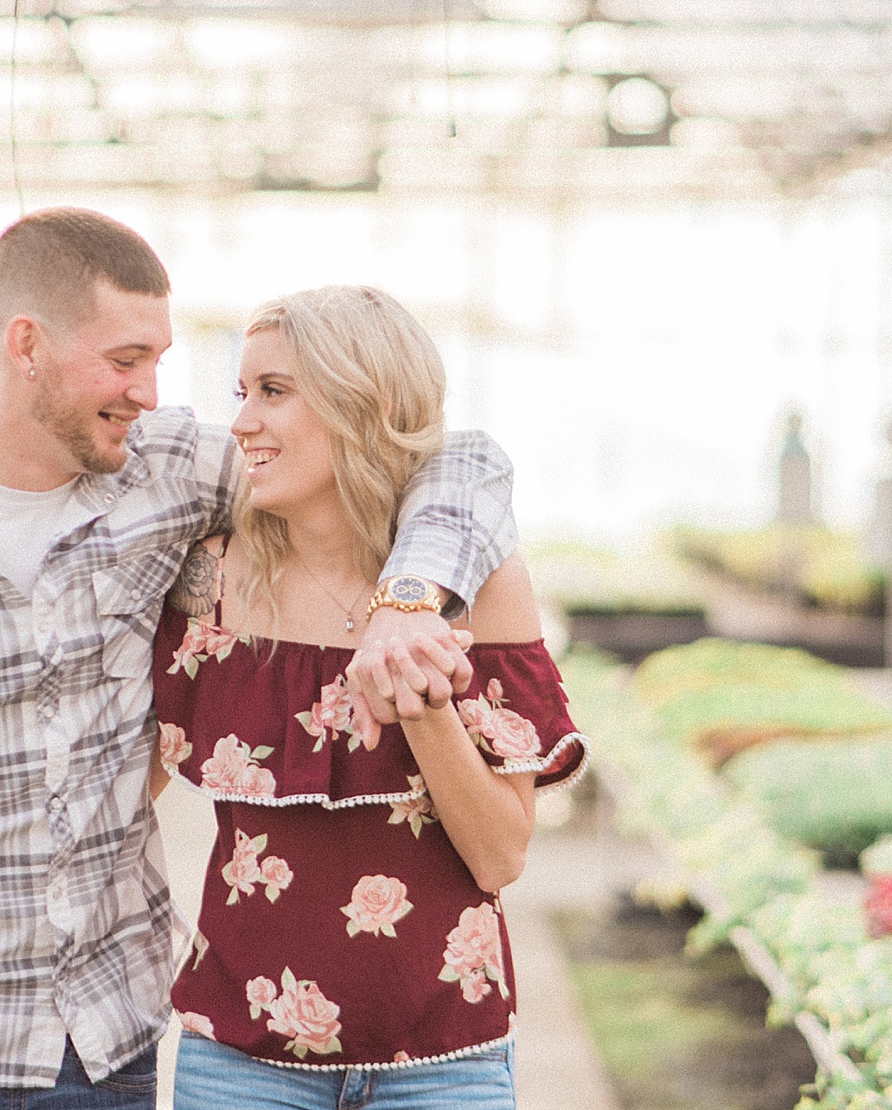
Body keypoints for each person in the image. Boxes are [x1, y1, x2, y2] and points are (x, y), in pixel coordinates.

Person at [0, 209, 515, 1110]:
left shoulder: (168, 474)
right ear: (26, 344)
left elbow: (454, 462)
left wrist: (406, 602)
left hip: (96, 1060)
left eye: (159, 358)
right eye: (125, 359)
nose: (153, 390)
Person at [152, 285, 584, 1110]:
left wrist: (419, 694)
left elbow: (500, 855)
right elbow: (128, 778)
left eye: (274, 391)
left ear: (368, 404)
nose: (242, 421)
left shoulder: (479, 582)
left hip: (447, 1063)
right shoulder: (209, 578)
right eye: (242, 393)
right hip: (241, 1061)